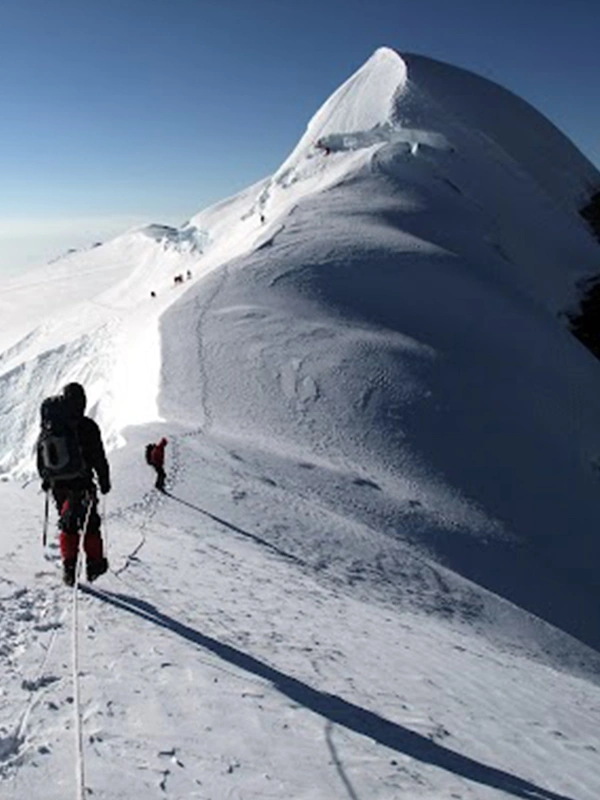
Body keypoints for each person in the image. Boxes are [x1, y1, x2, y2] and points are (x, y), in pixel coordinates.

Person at [37, 383, 111, 586]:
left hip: (58, 486)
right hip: (83, 484)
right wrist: (104, 481)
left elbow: (41, 455)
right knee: (90, 524)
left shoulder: (51, 425)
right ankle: (94, 564)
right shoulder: (88, 427)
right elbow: (98, 457)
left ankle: (69, 567)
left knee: (68, 523)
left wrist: (46, 479)